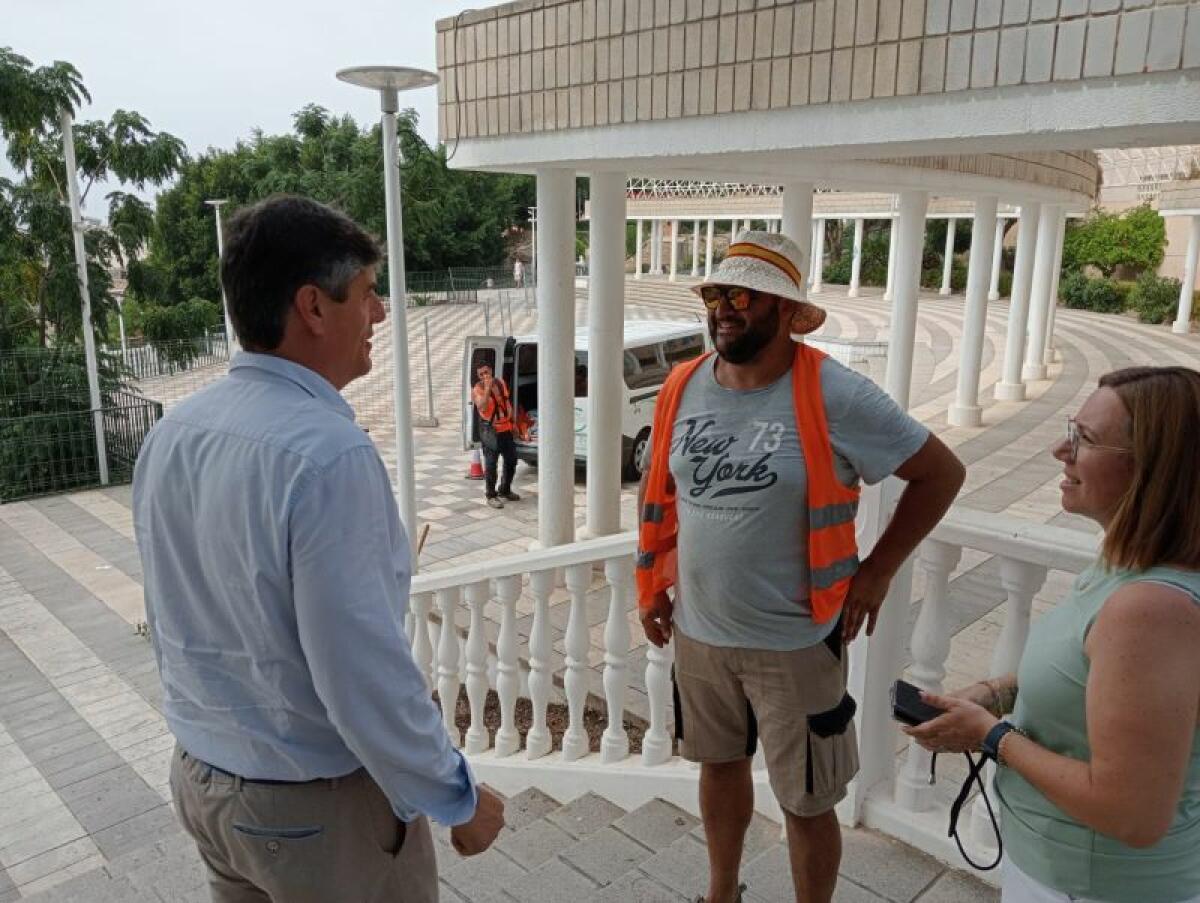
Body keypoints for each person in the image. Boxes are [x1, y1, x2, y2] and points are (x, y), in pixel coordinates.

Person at [132, 195, 505, 903]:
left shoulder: (175, 433)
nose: (381, 313)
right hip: (314, 813)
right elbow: (359, 669)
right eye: (366, 293)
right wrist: (455, 793)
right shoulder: (327, 457)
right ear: (313, 307)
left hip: (206, 785)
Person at [636, 231, 965, 903]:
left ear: (785, 310)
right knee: (718, 767)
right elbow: (665, 498)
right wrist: (655, 583)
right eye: (715, 294)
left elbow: (940, 472)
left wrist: (876, 571)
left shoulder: (834, 393)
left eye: (742, 296)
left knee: (807, 801)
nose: (723, 308)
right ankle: (721, 891)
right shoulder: (682, 385)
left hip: (796, 638)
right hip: (700, 634)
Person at [905, 366, 1200, 903]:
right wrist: (999, 693)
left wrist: (991, 735)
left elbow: (1133, 814)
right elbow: (1098, 677)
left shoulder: (1151, 609)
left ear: (1154, 467)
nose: (1057, 451)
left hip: (1095, 885)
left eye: (1083, 439)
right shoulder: (1126, 565)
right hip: (1061, 868)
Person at [472, 360, 520, 509]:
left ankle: (505, 489)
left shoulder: (500, 383)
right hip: (490, 432)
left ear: (491, 371)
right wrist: (487, 388)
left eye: (486, 372)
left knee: (512, 460)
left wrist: (514, 424)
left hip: (506, 429)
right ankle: (491, 495)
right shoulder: (478, 389)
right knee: (491, 465)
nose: (484, 376)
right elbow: (482, 406)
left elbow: (507, 404)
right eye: (481, 374)